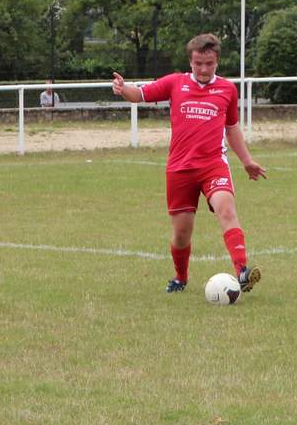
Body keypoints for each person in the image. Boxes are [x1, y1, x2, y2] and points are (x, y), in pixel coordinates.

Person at [111, 33, 267, 294]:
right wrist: (122, 89)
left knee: (226, 210)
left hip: (213, 165)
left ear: (217, 61)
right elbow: (139, 94)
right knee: (182, 234)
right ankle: (180, 278)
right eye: (198, 63)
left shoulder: (227, 89)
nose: (203, 69)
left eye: (209, 63)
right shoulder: (175, 83)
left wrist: (247, 161)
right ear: (191, 61)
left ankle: (242, 270)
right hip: (180, 169)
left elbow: (232, 127)